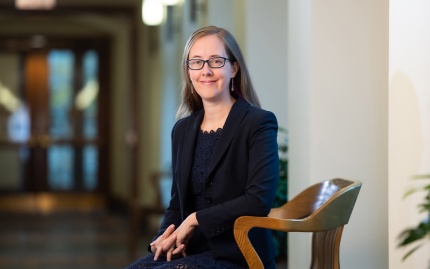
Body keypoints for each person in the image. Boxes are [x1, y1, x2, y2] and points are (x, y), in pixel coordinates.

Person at [126, 25, 279, 269]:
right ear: (188, 71)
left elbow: (258, 200)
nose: (205, 71)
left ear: (234, 68)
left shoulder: (258, 122)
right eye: (196, 62)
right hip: (190, 251)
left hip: (240, 255)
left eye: (216, 61)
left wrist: (196, 219)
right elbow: (177, 204)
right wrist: (163, 238)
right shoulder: (182, 130)